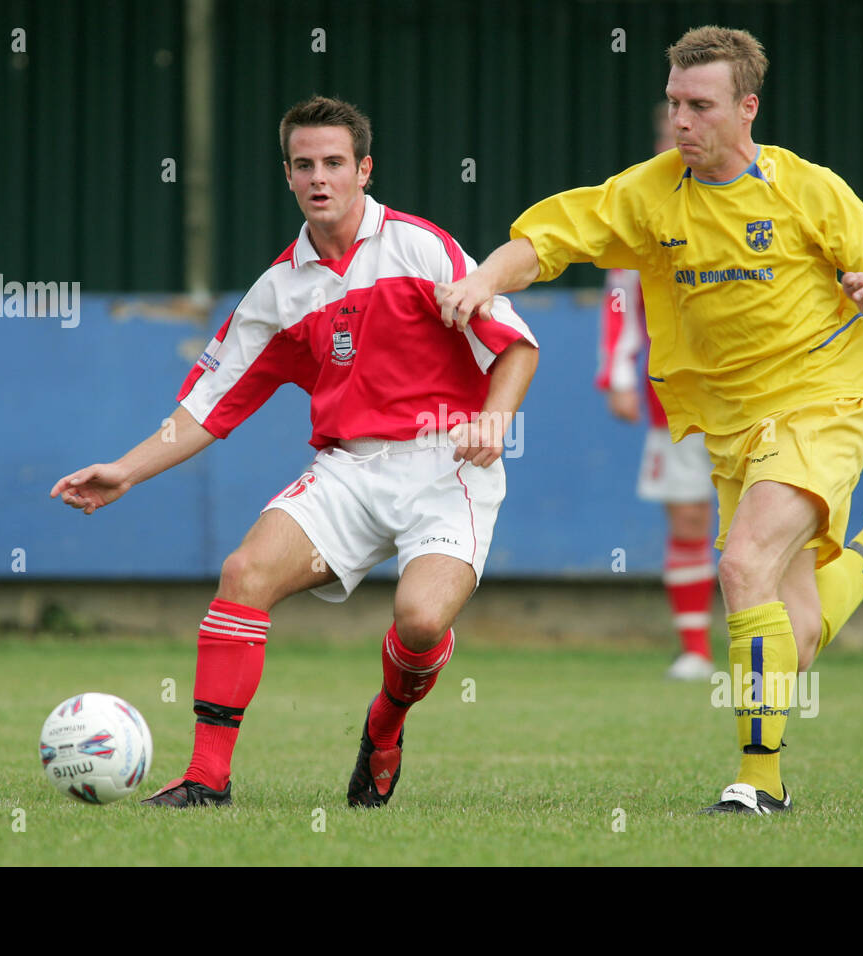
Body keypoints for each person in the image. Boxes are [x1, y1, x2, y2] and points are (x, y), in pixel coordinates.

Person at [436, 26, 863, 814]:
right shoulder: (650, 191)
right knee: (796, 638)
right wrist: (482, 282)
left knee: (742, 568)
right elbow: (545, 241)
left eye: (699, 105)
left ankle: (760, 785)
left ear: (747, 108)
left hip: (824, 402)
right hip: (731, 427)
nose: (682, 120)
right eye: (674, 102)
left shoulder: (809, 189)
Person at [51, 95, 538, 809]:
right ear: (287, 176)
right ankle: (206, 780)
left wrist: (495, 422)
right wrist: (124, 470)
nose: (320, 178)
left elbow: (518, 347)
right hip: (348, 471)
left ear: (364, 169)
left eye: (335, 163)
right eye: (305, 164)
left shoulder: (421, 247)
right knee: (244, 572)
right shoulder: (279, 290)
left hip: (448, 470)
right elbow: (205, 409)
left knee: (422, 621)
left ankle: (385, 725)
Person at [597, 105, 716, 681]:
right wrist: (619, 377)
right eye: (670, 126)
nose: (682, 133)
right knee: (690, 517)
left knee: (764, 523)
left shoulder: (762, 190)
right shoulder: (642, 203)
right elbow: (622, 296)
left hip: (762, 395)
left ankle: (775, 648)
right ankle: (695, 650)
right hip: (676, 398)